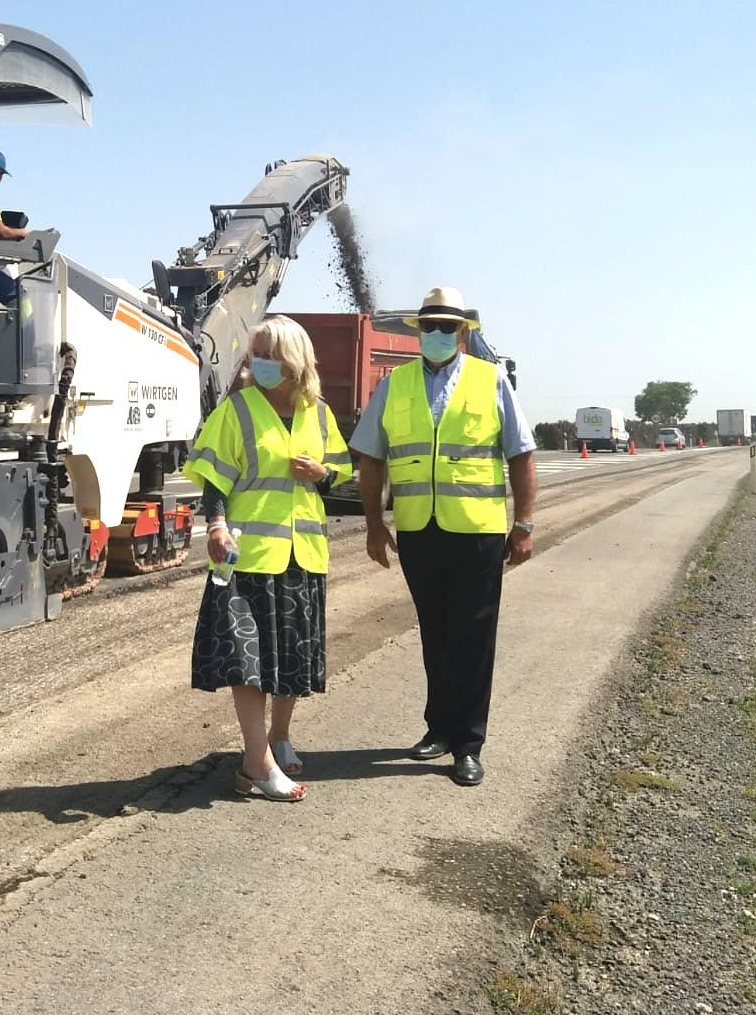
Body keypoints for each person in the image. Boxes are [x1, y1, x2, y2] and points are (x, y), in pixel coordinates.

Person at [349, 286, 537, 787]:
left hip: (476, 533)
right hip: (418, 530)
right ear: (418, 332)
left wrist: (523, 526)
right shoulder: (395, 385)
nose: (436, 334)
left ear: (462, 332)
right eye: (428, 326)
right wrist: (373, 524)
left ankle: (468, 743)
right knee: (434, 632)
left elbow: (521, 455)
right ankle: (438, 728)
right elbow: (371, 456)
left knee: (473, 637)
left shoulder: (491, 379)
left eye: (446, 327)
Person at [184, 316, 353, 802]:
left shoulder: (318, 414)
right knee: (248, 660)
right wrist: (214, 524)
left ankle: (279, 736)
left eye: (269, 354)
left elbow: (338, 472)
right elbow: (214, 478)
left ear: (294, 361)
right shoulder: (236, 410)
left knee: (291, 659)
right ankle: (256, 761)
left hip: (304, 555)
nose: (258, 362)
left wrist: (322, 472)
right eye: (255, 353)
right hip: (248, 555)